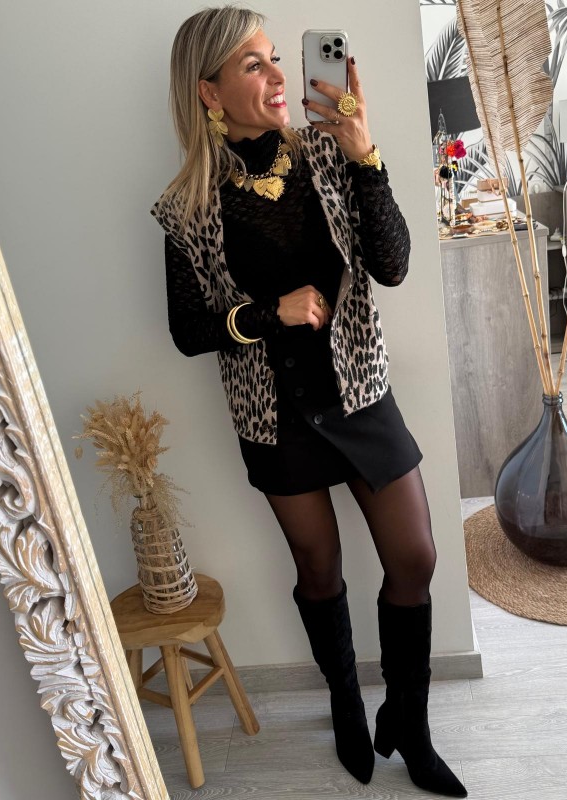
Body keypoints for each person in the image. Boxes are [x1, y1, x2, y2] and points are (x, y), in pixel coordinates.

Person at [150, 7, 466, 798]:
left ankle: (410, 722)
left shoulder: (328, 153)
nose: (277, 76)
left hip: (359, 390)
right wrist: (272, 313)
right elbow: (189, 331)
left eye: (274, 58)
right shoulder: (186, 207)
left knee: (415, 558)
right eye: (252, 64)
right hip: (275, 414)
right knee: (319, 569)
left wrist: (367, 155)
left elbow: (391, 266)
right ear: (209, 92)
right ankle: (346, 702)